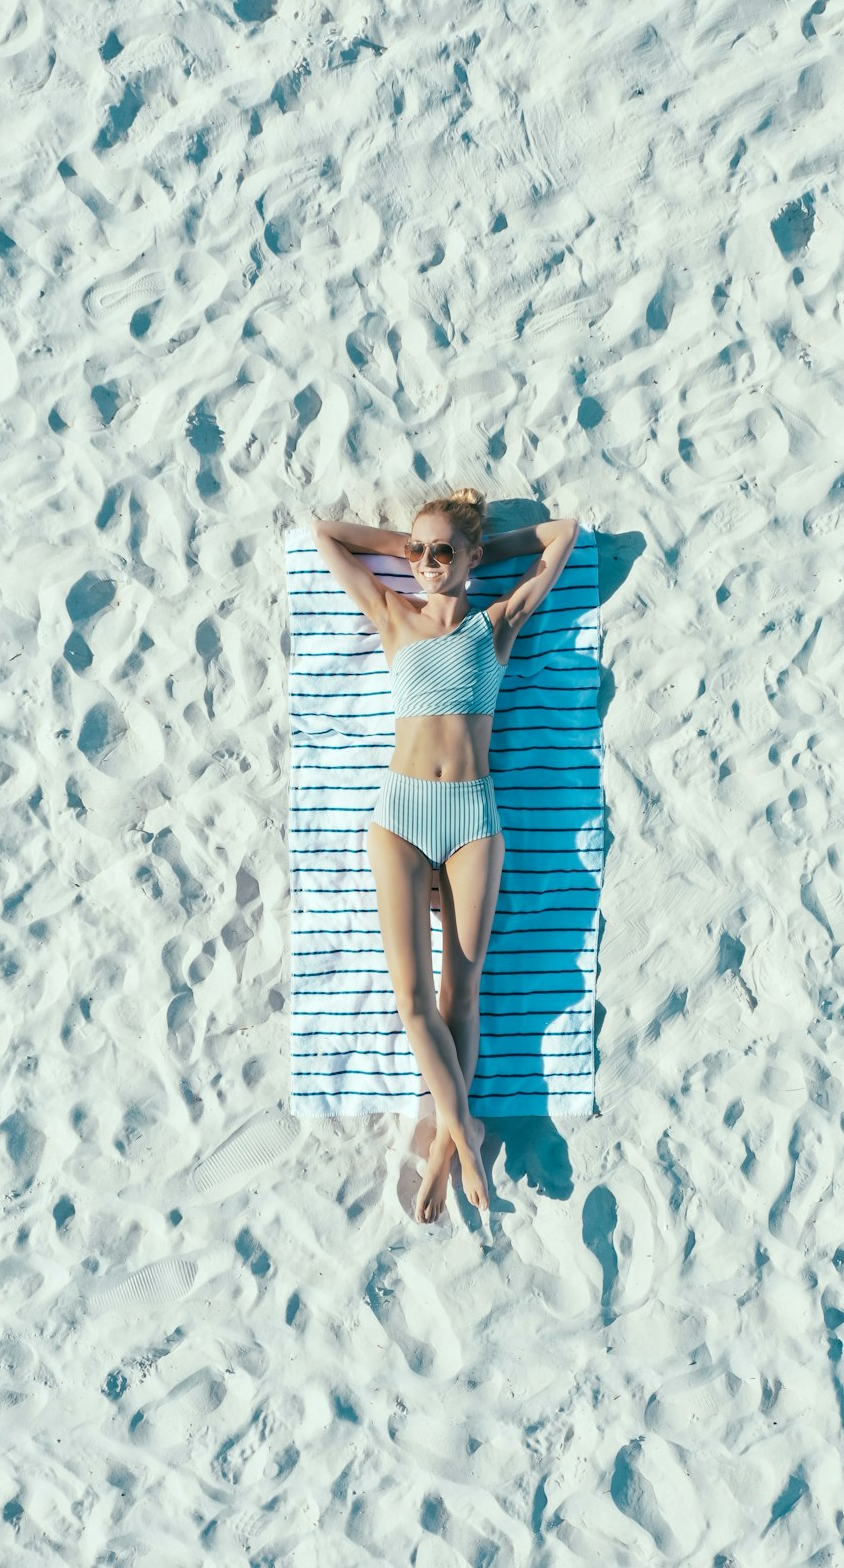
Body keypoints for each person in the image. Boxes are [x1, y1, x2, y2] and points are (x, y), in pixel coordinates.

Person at [312, 490, 580, 1222]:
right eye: (418, 554)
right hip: (400, 816)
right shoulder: (393, 615)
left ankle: (441, 1148)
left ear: (470, 558)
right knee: (410, 997)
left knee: (462, 992)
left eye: (443, 552)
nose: (427, 564)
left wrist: (486, 545)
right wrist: (408, 540)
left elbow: (563, 534)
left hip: (470, 818)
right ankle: (462, 1130)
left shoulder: (496, 624)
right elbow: (326, 532)